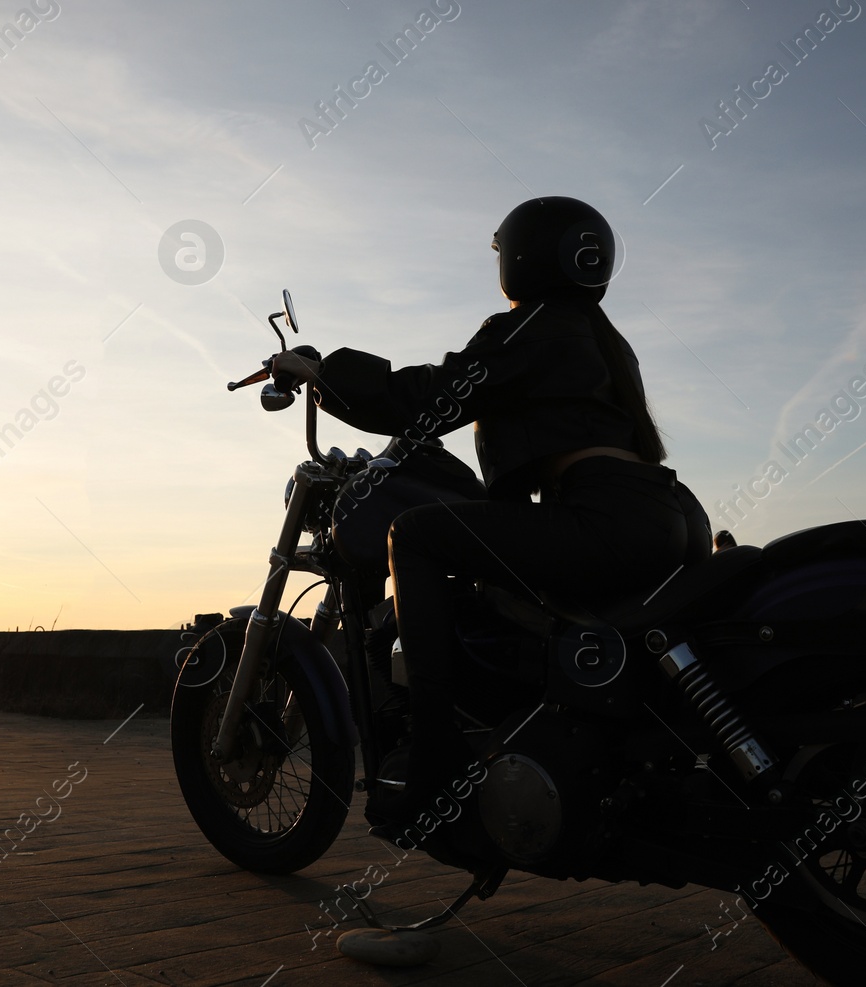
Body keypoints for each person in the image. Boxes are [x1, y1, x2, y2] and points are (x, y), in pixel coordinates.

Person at [272, 196, 700, 840]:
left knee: (414, 536)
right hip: (666, 512)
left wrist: (324, 372)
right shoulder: (604, 339)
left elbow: (427, 398)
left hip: (603, 512)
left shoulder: (535, 326)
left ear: (524, 257)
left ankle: (435, 760)